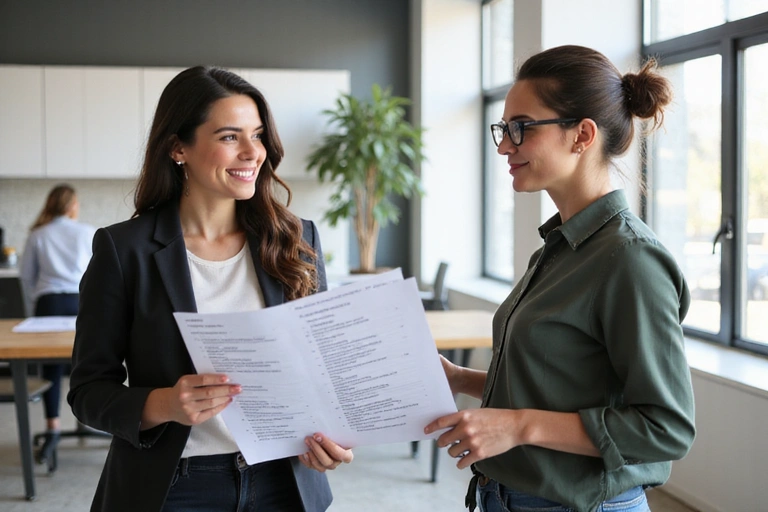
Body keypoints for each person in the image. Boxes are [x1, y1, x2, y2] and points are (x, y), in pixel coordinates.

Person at [67, 66, 353, 512]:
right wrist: (164, 403)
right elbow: (87, 393)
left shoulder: (298, 238)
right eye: (228, 137)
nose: (251, 153)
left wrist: (335, 436)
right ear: (178, 147)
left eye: (257, 135)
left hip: (285, 482)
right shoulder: (125, 250)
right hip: (175, 487)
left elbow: (322, 374)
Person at [424, 45, 696, 512]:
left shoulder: (630, 259)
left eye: (521, 128)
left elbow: (665, 428)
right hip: (509, 496)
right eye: (503, 129)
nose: (505, 146)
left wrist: (517, 426)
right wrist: (460, 378)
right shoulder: (561, 247)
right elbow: (560, 381)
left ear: (582, 135)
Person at [19, 184, 96, 469]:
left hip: (48, 304)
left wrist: (33, 311)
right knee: (86, 362)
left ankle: (52, 426)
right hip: (79, 302)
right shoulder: (87, 232)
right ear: (73, 205)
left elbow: (27, 278)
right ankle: (87, 418)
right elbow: (98, 275)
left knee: (50, 368)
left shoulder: (38, 235)